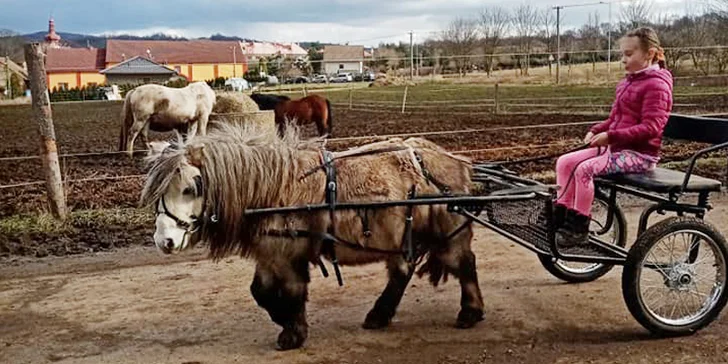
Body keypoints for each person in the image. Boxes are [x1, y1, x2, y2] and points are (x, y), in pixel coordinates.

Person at [554, 27, 673, 247]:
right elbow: (615, 119)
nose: (623, 60)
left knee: (584, 169)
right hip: (618, 148)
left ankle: (578, 228)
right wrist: (597, 129)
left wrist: (610, 137)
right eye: (622, 55)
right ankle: (560, 218)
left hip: (640, 155)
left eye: (629, 54)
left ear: (649, 54)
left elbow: (652, 127)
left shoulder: (657, 86)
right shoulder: (628, 82)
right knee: (565, 162)